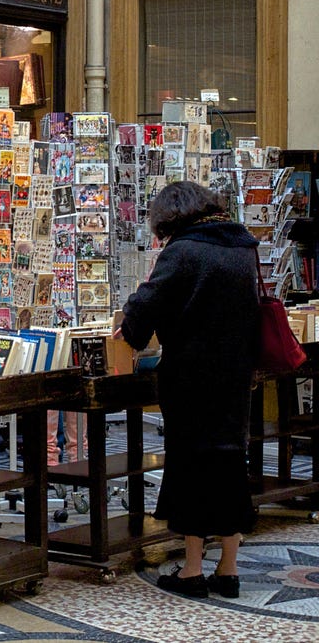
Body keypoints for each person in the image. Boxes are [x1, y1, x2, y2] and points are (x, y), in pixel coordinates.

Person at [113, 181, 258, 599]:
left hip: (192, 377)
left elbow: (146, 305)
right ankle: (228, 569)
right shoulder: (240, 246)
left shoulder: (183, 250)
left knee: (191, 466)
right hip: (235, 376)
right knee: (230, 462)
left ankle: (192, 570)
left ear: (169, 216)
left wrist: (130, 323)